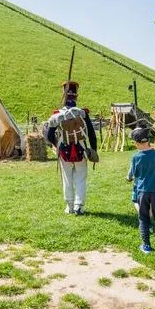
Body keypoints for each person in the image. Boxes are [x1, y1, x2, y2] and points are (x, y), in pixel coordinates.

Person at [46, 80, 97, 215]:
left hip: (64, 152)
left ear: (64, 95)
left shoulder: (57, 115)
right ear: (76, 96)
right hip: (81, 151)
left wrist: (57, 145)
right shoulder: (82, 113)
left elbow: (49, 136)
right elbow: (91, 133)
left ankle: (69, 205)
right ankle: (78, 206)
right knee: (80, 178)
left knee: (67, 179)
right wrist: (93, 150)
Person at [127, 126, 155, 255]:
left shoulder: (136, 157)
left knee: (144, 218)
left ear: (137, 143)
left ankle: (146, 245)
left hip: (142, 192)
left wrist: (128, 178)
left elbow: (133, 174)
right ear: (148, 141)